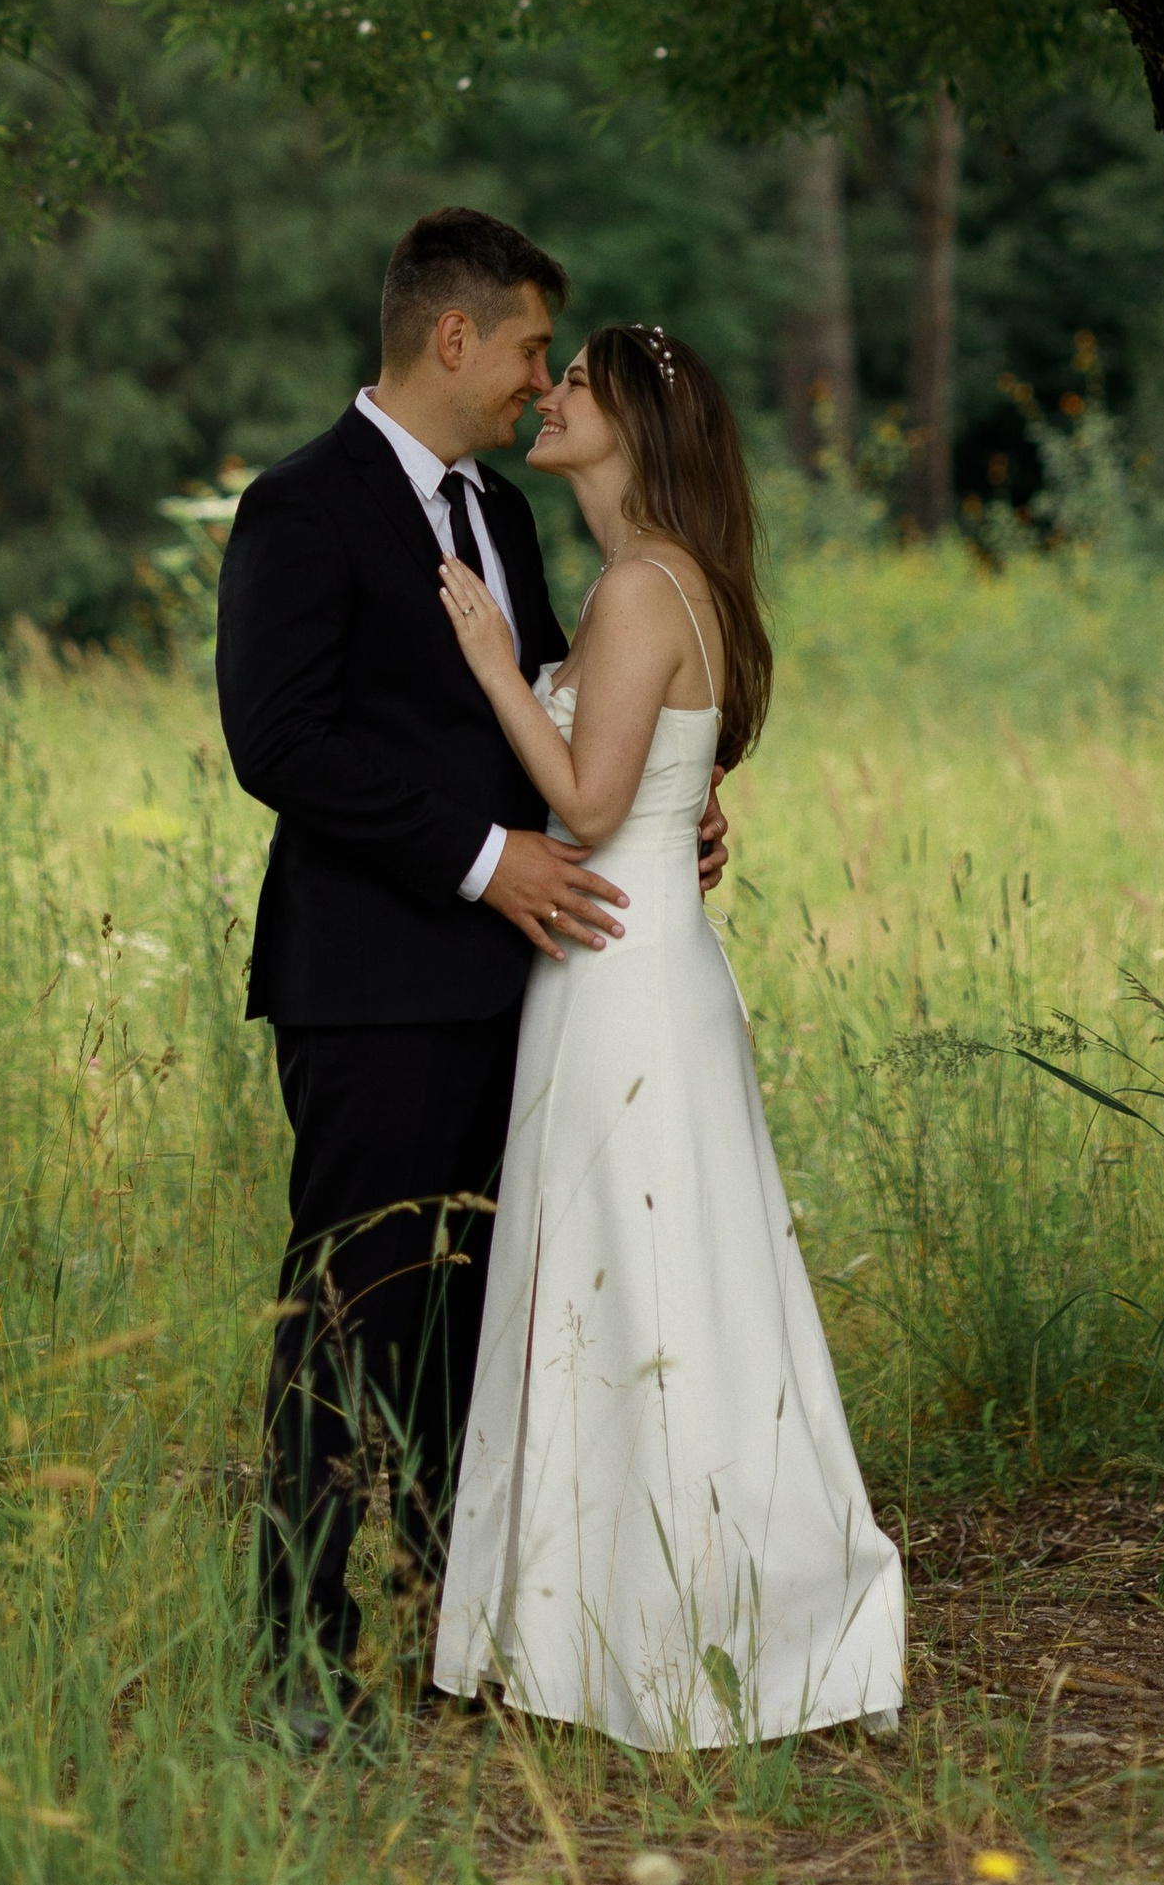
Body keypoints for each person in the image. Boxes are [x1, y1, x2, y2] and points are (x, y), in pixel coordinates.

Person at [215, 211, 731, 1742]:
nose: (532, 379)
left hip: (530, 988)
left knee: (483, 1332)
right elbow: (280, 741)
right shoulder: (299, 507)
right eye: (523, 349)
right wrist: (479, 857)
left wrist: (666, 797)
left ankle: (467, 1639)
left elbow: (565, 703)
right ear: (453, 335)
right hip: (368, 988)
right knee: (348, 1318)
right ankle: (302, 1664)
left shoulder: (502, 515)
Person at [430, 321, 904, 1750]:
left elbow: (584, 801)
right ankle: (609, 1620)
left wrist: (493, 658)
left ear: (633, 422)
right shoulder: (655, 581)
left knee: (640, 1288)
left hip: (620, 973)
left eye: (576, 381)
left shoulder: (640, 584)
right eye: (552, 371)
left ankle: (674, 1623)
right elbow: (653, 783)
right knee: (642, 1284)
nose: (550, 393)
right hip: (635, 960)